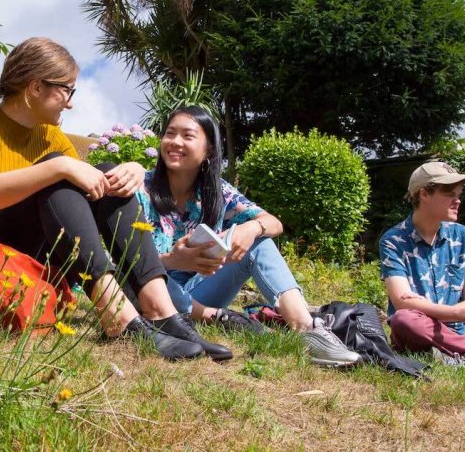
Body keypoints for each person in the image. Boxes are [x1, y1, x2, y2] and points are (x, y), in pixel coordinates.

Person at [0, 37, 231, 361]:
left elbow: (90, 186)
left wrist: (131, 169)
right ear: (36, 87)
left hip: (34, 249)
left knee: (105, 174)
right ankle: (118, 316)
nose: (70, 103)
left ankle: (160, 310)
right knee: (58, 173)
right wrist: (60, 166)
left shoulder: (49, 135)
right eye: (67, 89)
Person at [135, 106, 362, 367]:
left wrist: (250, 228)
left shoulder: (218, 192)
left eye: (187, 135)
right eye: (169, 133)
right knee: (144, 275)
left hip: (200, 290)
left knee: (260, 241)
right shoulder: (142, 188)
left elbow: (273, 222)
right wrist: (174, 261)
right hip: (155, 292)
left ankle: (307, 330)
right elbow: (128, 260)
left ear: (208, 149)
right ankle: (210, 316)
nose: (175, 142)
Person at [380, 161, 465, 365]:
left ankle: (446, 353)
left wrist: (423, 305)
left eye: (458, 194)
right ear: (424, 194)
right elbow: (402, 303)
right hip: (420, 328)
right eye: (449, 194)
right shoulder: (394, 240)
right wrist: (456, 312)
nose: (457, 201)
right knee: (404, 321)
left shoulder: (461, 236)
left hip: (457, 331)